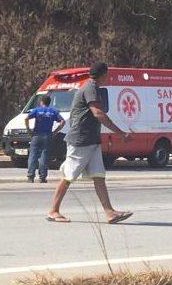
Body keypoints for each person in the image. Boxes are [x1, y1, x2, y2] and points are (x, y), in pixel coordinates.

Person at [47, 63, 134, 224]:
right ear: (102, 75)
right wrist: (121, 133)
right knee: (68, 176)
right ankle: (53, 210)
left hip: (92, 140)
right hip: (81, 140)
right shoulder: (90, 87)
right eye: (107, 75)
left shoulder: (94, 88)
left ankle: (110, 213)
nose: (108, 78)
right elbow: (98, 113)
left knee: (99, 176)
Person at [25, 95, 65, 183]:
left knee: (33, 155)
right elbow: (62, 121)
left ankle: (30, 176)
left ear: (41, 102)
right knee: (44, 155)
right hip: (47, 135)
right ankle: (42, 177)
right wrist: (55, 131)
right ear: (49, 102)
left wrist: (28, 129)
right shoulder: (53, 111)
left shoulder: (37, 110)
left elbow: (27, 118)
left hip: (36, 135)